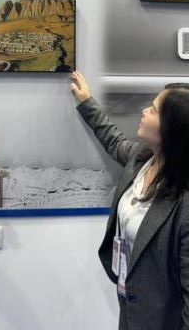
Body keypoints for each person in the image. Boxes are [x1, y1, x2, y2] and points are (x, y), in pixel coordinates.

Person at [71, 71, 189, 330]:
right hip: (130, 306)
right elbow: (113, 141)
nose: (145, 111)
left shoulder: (184, 202)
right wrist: (86, 101)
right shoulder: (142, 158)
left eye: (154, 109)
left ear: (172, 128)